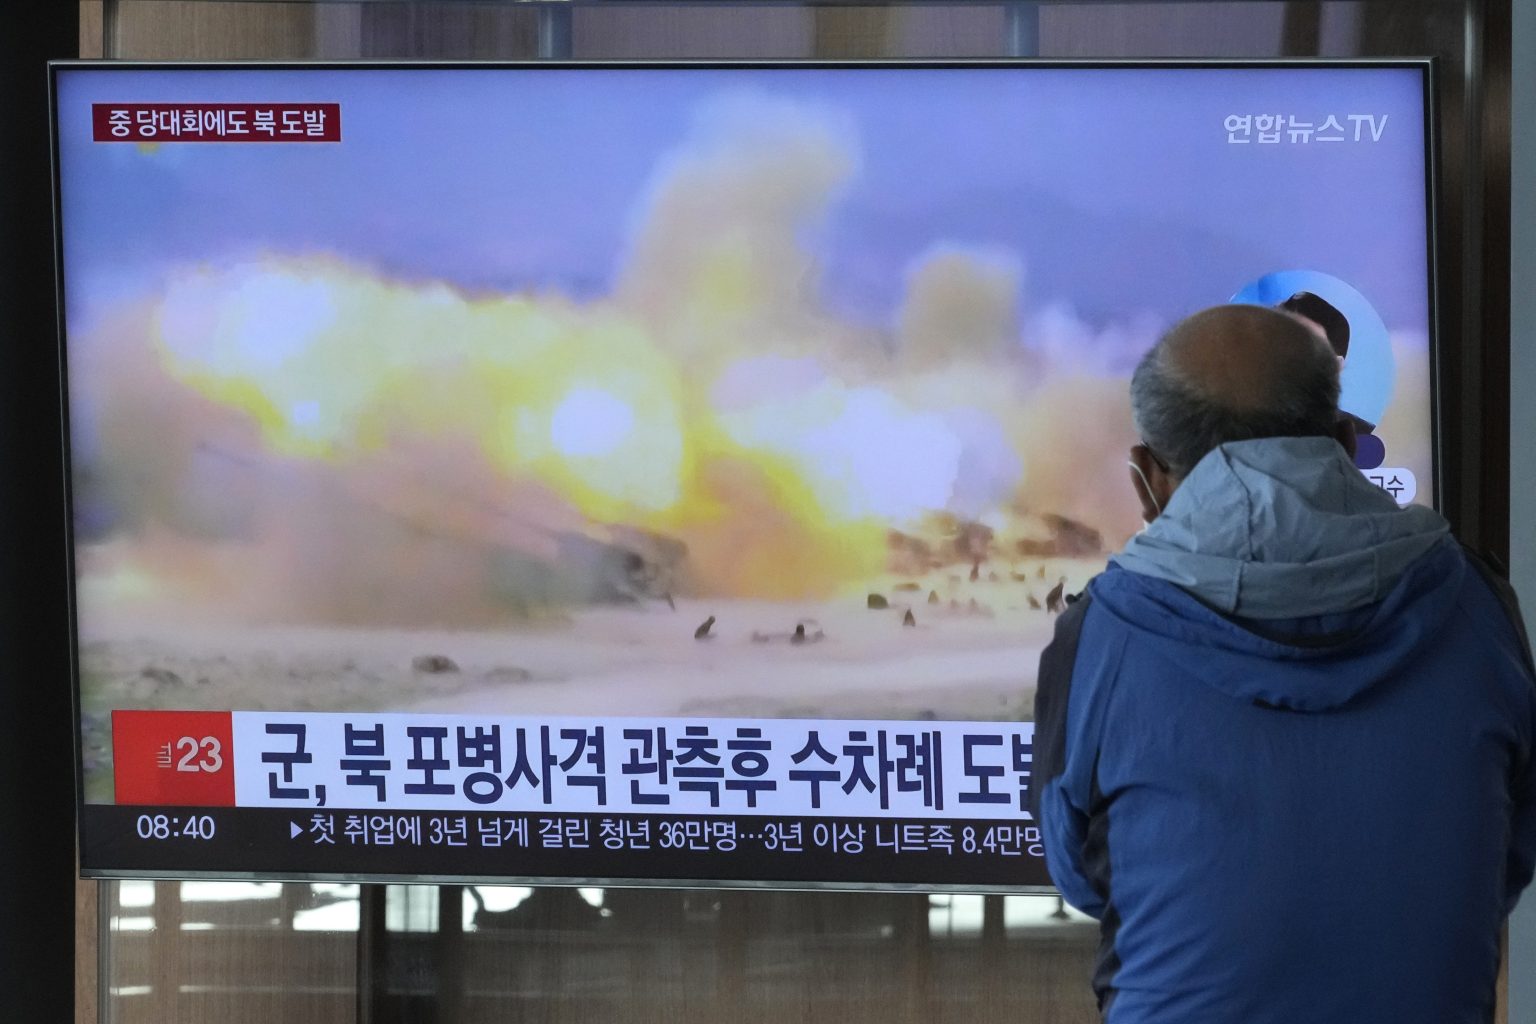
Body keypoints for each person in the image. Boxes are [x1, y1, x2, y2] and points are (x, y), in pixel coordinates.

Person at [1031, 304, 1536, 1023]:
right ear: (1347, 441)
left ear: (1148, 479)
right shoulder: (1478, 606)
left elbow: (1079, 875)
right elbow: (1507, 854)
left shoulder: (1100, 636)